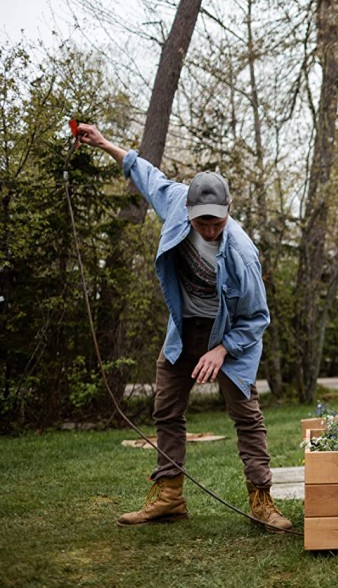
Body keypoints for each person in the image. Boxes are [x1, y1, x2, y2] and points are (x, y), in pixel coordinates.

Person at [75, 124, 292, 533]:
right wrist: (104, 144)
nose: (209, 230)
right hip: (183, 331)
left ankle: (261, 500)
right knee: (166, 408)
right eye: (201, 223)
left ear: (228, 212)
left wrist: (223, 349)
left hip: (228, 338)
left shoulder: (242, 255)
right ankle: (170, 495)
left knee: (246, 415)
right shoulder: (176, 203)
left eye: (216, 222)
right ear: (189, 211)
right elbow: (146, 175)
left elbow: (257, 318)